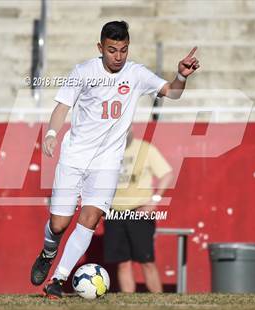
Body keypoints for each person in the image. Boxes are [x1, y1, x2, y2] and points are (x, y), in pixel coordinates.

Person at [30, 20, 199, 299]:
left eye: (123, 50)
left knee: (91, 218)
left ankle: (58, 280)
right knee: (59, 224)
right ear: (100, 47)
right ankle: (48, 252)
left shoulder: (136, 73)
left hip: (107, 162)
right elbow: (62, 107)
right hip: (74, 157)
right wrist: (51, 133)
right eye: (112, 50)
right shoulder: (84, 71)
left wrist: (181, 76)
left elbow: (173, 92)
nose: (118, 56)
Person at [104, 129, 174, 293]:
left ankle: (159, 302)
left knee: (147, 260)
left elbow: (167, 174)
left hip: (139, 211)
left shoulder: (145, 149)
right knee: (122, 262)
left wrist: (155, 200)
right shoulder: (108, 151)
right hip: (114, 212)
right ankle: (129, 302)